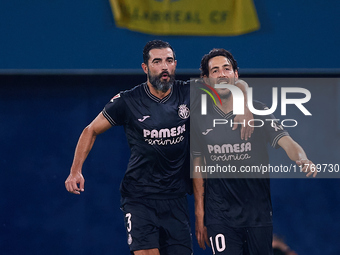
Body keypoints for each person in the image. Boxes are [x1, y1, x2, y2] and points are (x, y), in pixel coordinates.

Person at [65, 40, 253, 255]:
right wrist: (75, 171)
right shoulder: (128, 101)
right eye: (157, 62)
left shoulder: (190, 92)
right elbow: (91, 130)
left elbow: (234, 84)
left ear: (175, 64)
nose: (164, 67)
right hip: (139, 197)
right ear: (145, 68)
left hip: (175, 198)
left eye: (169, 61)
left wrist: (244, 106)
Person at [191, 48, 317, 255]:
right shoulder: (199, 116)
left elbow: (287, 142)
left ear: (235, 74)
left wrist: (302, 159)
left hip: (258, 215)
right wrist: (199, 211)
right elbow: (197, 165)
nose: (222, 74)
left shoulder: (258, 111)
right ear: (206, 79)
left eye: (227, 69)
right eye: (215, 71)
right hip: (220, 215)